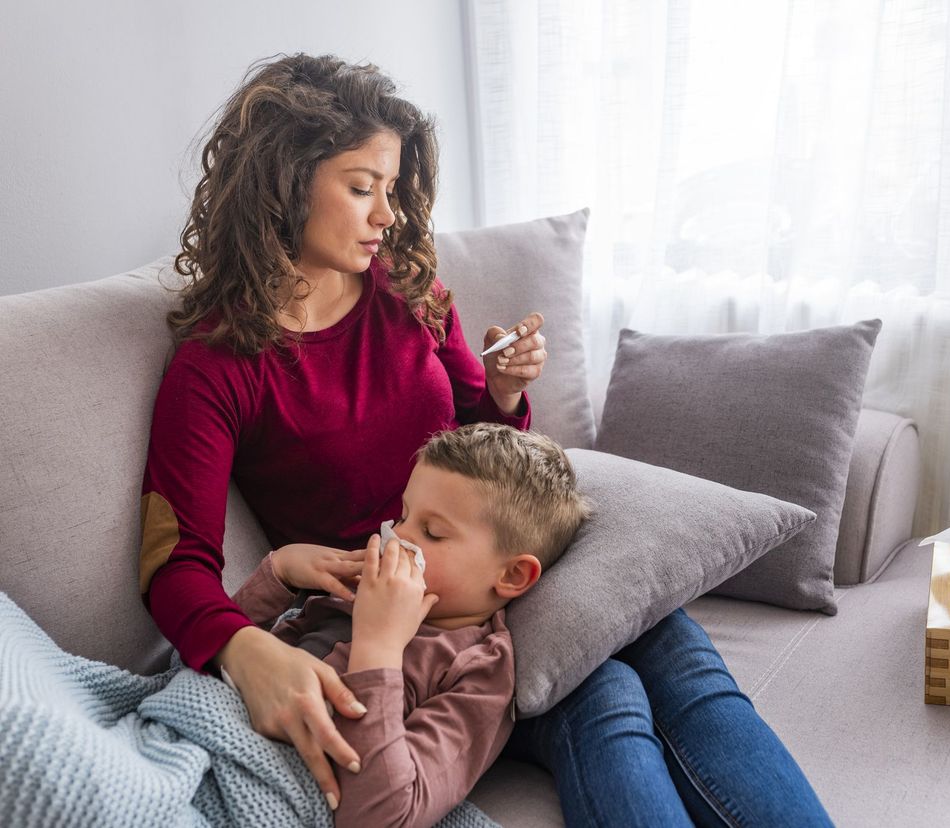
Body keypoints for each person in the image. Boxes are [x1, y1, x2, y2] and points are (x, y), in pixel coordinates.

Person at [140, 52, 832, 825]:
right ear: (283, 184)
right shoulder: (218, 363)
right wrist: (245, 648)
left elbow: (477, 435)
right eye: (362, 188)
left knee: (679, 651)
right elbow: (175, 565)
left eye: (393, 190)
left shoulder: (407, 285)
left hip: (497, 559)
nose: (387, 215)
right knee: (607, 693)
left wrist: (503, 392)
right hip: (411, 616)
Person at [229, 422, 590, 825]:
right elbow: (209, 664)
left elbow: (384, 815)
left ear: (512, 576)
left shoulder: (478, 672)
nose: (397, 537)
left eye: (433, 532)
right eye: (402, 516)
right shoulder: (353, 594)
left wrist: (378, 647)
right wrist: (280, 571)